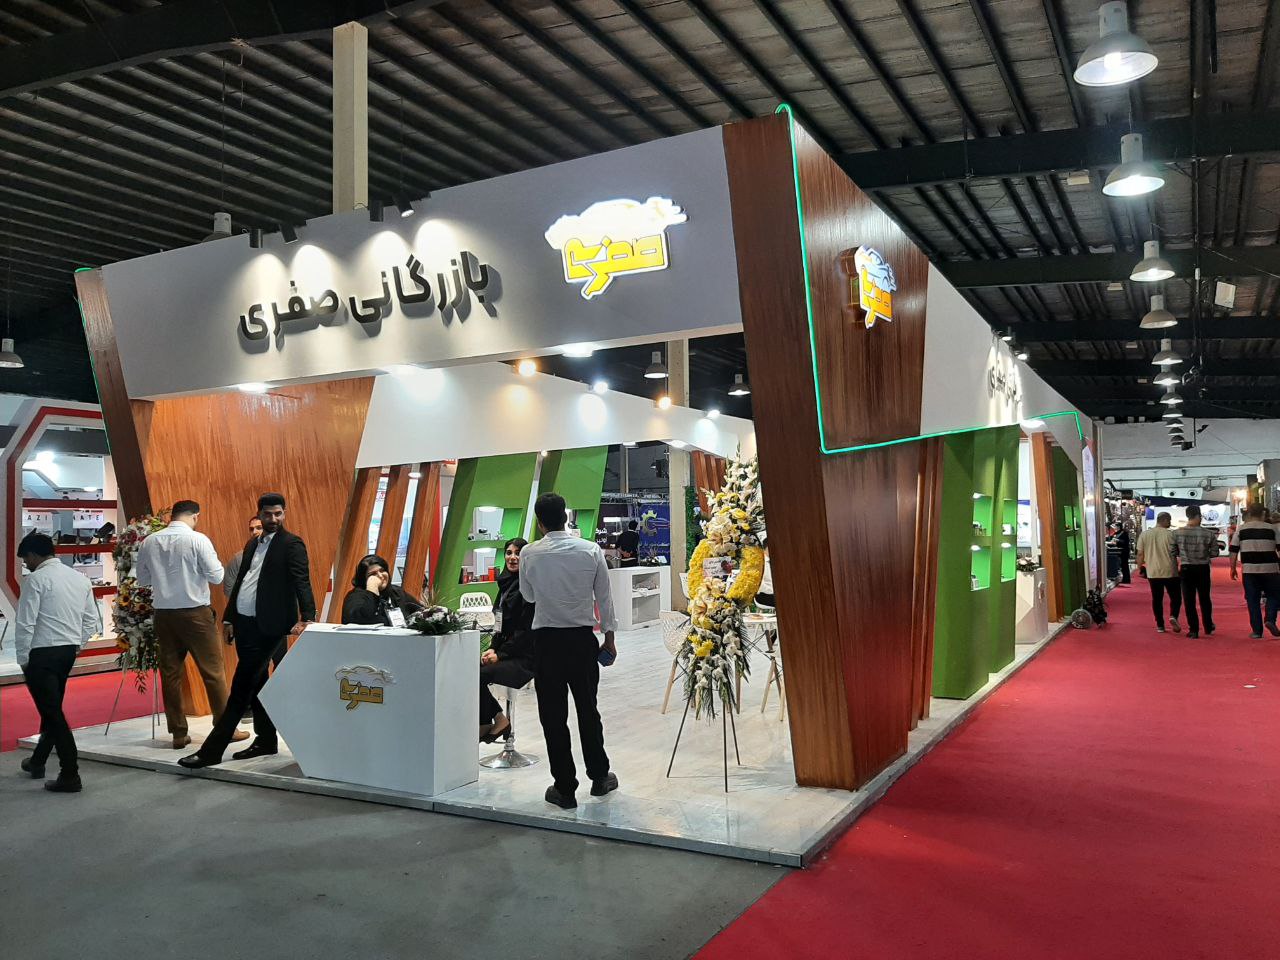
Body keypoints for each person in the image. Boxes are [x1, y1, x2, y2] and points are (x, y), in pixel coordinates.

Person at [179, 492, 315, 768]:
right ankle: (266, 740)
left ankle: (211, 750)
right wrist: (230, 619)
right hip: (245, 623)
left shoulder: (292, 544)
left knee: (241, 687)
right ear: (260, 514)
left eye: (278, 513)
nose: (273, 518)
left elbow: (302, 581)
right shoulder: (253, 544)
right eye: (268, 514)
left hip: (271, 626)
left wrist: (308, 617)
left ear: (284, 513)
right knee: (257, 683)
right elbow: (242, 581)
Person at [519, 492, 618, 809]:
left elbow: (528, 596)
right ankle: (600, 777)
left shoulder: (529, 554)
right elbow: (605, 599)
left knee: (553, 716)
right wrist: (610, 639)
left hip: (546, 642)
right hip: (581, 642)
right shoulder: (590, 550)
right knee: (588, 710)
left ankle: (564, 788)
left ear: (539, 522)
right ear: (565, 517)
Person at [135, 499, 249, 749]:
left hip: (164, 615)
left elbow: (142, 579)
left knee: (170, 674)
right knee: (213, 672)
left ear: (172, 516)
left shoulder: (150, 541)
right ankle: (225, 728)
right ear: (195, 516)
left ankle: (178, 732)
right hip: (195, 613)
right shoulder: (198, 540)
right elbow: (217, 577)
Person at [15, 532, 100, 792]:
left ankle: (70, 773)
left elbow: (25, 622)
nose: (26, 564)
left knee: (52, 714)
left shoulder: (36, 580)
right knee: (51, 709)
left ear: (33, 555)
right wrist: (77, 644)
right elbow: (91, 621)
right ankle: (37, 761)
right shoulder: (79, 578)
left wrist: (23, 658)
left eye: (25, 559)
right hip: (66, 652)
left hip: (42, 654)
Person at [480, 538, 536, 742]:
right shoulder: (505, 584)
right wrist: (492, 648)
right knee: (467, 672)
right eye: (509, 553)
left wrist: (500, 654)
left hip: (524, 657)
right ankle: (494, 719)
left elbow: (525, 631)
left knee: (479, 675)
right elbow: (499, 623)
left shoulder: (529, 587)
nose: (512, 557)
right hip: (504, 652)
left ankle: (494, 720)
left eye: (518, 553)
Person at [1230, 502, 1280, 639]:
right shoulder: (1272, 529)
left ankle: (1257, 631)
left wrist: (1232, 568)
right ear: (1263, 513)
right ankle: (1270, 619)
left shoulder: (1241, 529)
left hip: (1249, 570)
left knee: (1253, 600)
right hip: (1271, 569)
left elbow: (1233, 550)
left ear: (1249, 513)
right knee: (1274, 596)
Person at [1174, 504, 1218, 639]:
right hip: (1202, 568)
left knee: (1189, 600)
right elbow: (1215, 553)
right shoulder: (1209, 534)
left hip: (1186, 568)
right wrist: (1204, 554)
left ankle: (1193, 630)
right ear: (1198, 516)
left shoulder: (1177, 533)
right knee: (1205, 598)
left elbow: (1173, 551)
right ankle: (1208, 625)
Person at [341, 554, 423, 626]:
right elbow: (361, 619)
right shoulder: (355, 596)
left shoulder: (396, 592)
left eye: (382, 571)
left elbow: (421, 611)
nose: (380, 576)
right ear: (364, 579)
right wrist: (372, 590)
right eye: (373, 574)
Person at [1137, 512, 1181, 633]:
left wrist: (1140, 567)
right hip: (1170, 571)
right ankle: (1173, 615)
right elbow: (1177, 552)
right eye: (1169, 520)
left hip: (1153, 571)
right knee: (1176, 597)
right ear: (1165, 520)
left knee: (1157, 599)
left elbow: (1140, 554)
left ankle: (1160, 625)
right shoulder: (1171, 535)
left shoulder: (1145, 534)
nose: (1170, 523)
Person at [222, 514, 264, 599]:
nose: (254, 532)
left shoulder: (280, 554)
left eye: (259, 528)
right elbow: (228, 588)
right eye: (251, 529)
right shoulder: (239, 558)